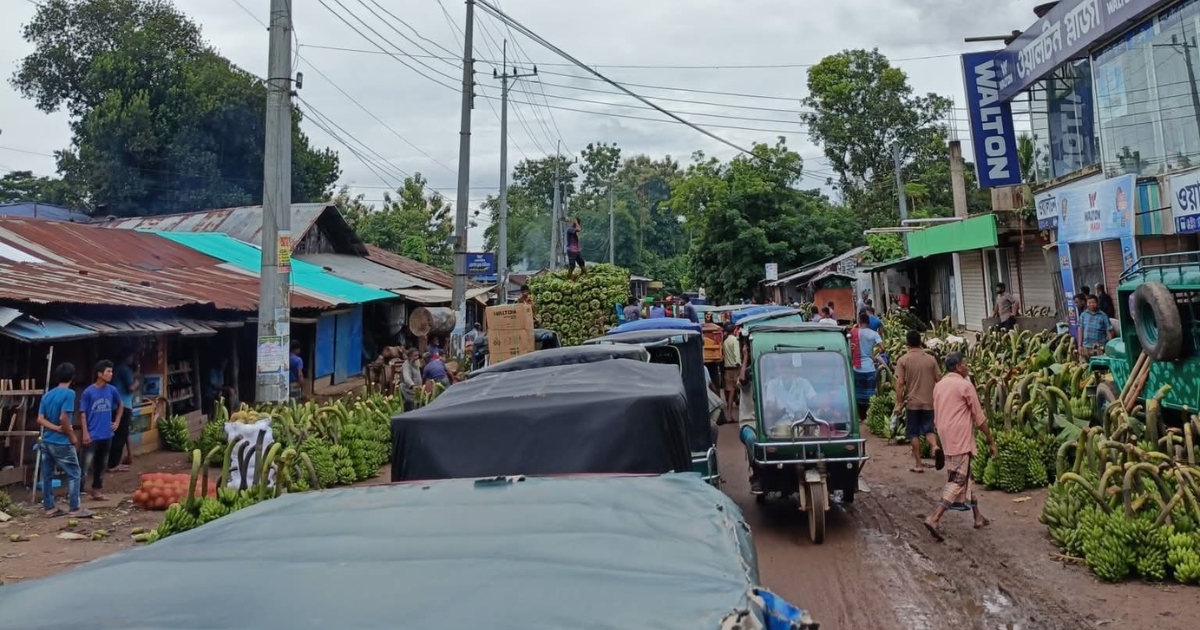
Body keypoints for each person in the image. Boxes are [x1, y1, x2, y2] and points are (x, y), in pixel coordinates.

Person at [924, 352, 997, 541]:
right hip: (960, 436)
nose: (967, 366)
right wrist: (990, 439)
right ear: (958, 367)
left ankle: (977, 516)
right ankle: (935, 517)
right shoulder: (965, 385)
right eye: (965, 364)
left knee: (966, 475)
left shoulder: (939, 385)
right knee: (958, 479)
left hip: (945, 434)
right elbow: (979, 416)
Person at [37, 362, 91, 518]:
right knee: (74, 473)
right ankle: (75, 508)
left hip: (46, 440)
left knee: (47, 475)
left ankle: (49, 508)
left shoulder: (47, 395)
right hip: (61, 442)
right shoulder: (69, 394)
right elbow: (64, 417)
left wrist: (55, 428)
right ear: (72, 377)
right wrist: (71, 436)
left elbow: (40, 419)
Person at [893, 330, 943, 474]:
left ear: (907, 343)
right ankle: (935, 447)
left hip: (912, 403)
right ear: (920, 342)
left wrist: (899, 403)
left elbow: (900, 383)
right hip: (929, 401)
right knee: (929, 430)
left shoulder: (903, 360)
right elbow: (939, 380)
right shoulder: (931, 359)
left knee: (913, 433)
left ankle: (919, 464)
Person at [80, 360, 122, 501]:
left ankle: (96, 491)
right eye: (108, 371)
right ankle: (77, 492)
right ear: (99, 374)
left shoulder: (112, 390)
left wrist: (117, 421)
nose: (111, 374)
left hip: (106, 434)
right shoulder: (88, 392)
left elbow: (121, 405)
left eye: (111, 371)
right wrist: (85, 433)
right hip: (92, 435)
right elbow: (82, 413)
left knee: (101, 465)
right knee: (84, 466)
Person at [108, 351, 138, 473]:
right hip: (123, 406)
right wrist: (137, 381)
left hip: (116, 405)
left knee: (119, 434)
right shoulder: (124, 369)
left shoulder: (118, 369)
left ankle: (114, 462)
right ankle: (113, 464)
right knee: (120, 436)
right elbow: (130, 388)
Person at [850, 312, 882, 421]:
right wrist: (875, 356)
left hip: (857, 367)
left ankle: (860, 417)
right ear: (868, 322)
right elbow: (883, 347)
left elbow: (850, 347)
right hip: (870, 367)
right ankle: (869, 416)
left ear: (859, 321)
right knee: (870, 394)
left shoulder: (854, 332)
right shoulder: (874, 334)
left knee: (858, 393)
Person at [721, 323, 741, 421]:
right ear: (734, 331)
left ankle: (729, 415)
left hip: (727, 369)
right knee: (740, 391)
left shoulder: (725, 341)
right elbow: (737, 356)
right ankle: (732, 416)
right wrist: (740, 368)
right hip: (735, 369)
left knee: (730, 394)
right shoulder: (735, 340)